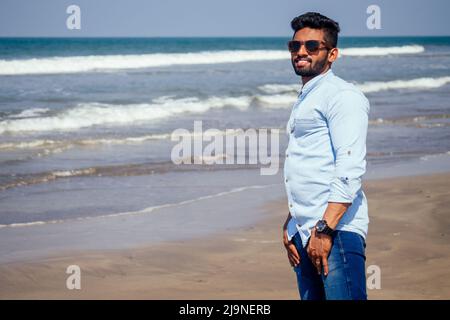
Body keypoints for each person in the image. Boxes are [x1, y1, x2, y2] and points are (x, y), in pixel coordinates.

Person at [282, 12, 370, 300]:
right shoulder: (308, 97)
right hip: (305, 232)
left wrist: (324, 229)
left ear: (332, 54)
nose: (301, 52)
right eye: (295, 46)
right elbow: (311, 164)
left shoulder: (342, 96)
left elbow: (349, 168)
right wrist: (291, 222)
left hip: (336, 232)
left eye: (311, 46)